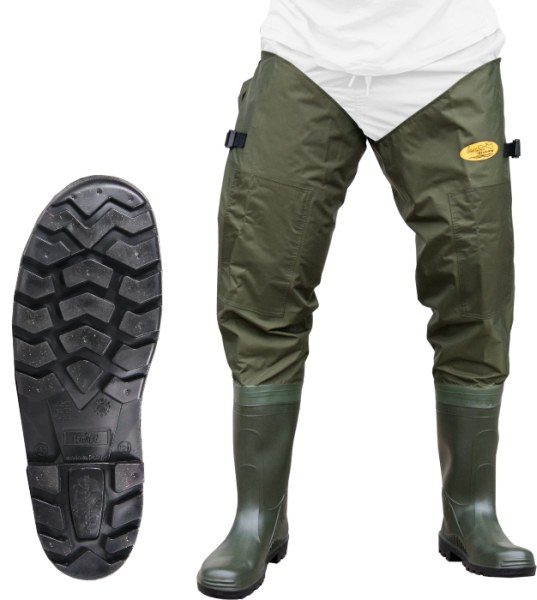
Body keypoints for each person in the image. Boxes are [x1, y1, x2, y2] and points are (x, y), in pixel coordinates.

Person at [198, 2, 535, 597]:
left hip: (449, 59)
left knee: (476, 294)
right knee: (262, 287)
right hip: (308, 55)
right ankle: (258, 518)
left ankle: (471, 512)